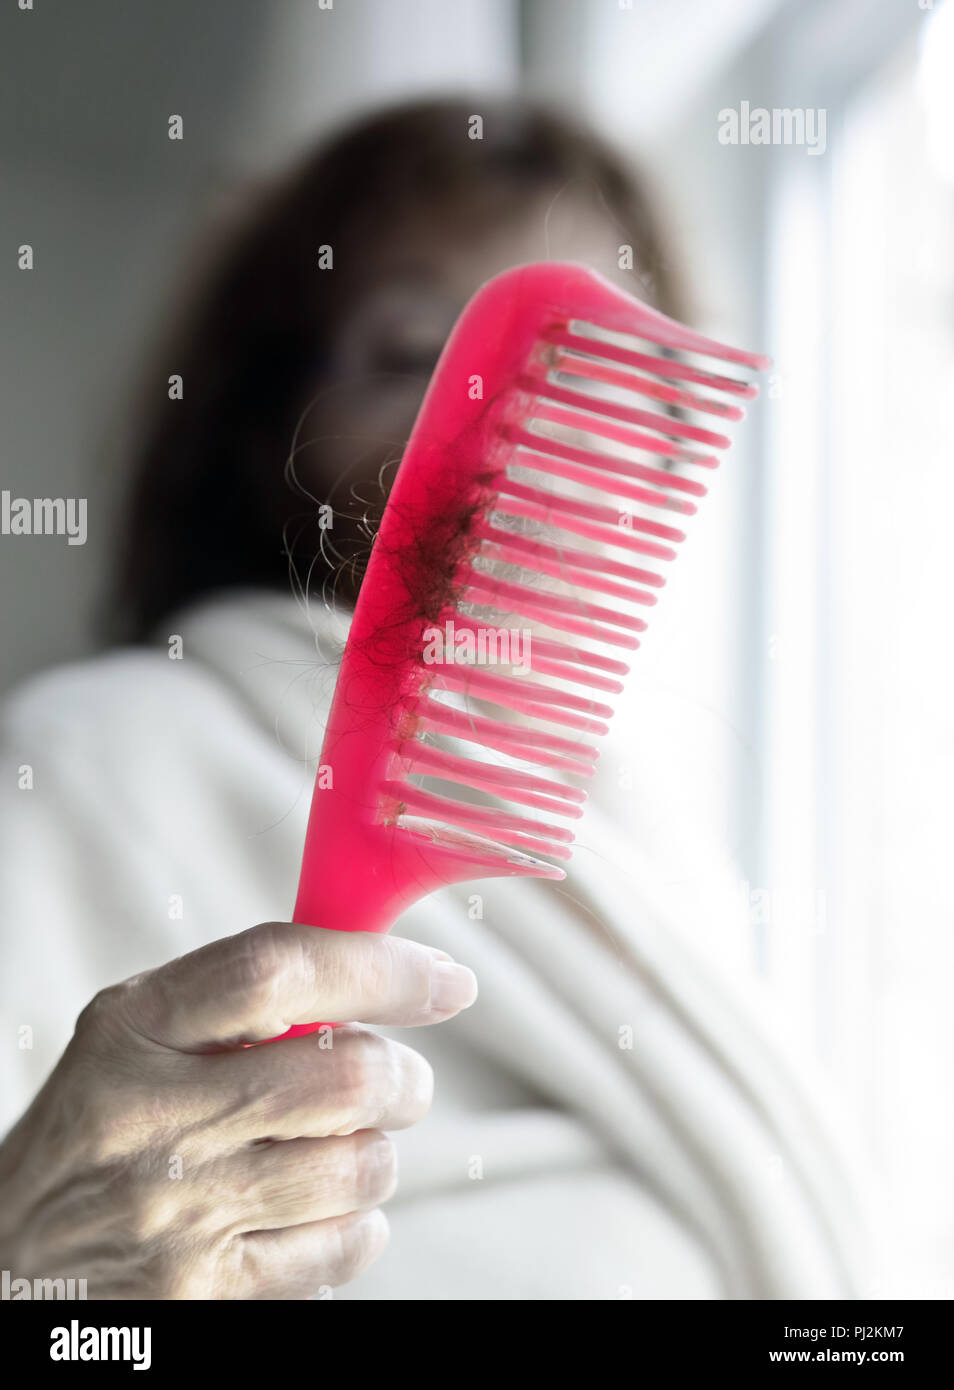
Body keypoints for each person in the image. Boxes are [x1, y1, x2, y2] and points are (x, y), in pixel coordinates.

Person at [0, 98, 866, 1300]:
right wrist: (38, 1275)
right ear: (266, 436)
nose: (511, 433)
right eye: (416, 358)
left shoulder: (665, 866)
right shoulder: (91, 761)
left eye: (595, 385)